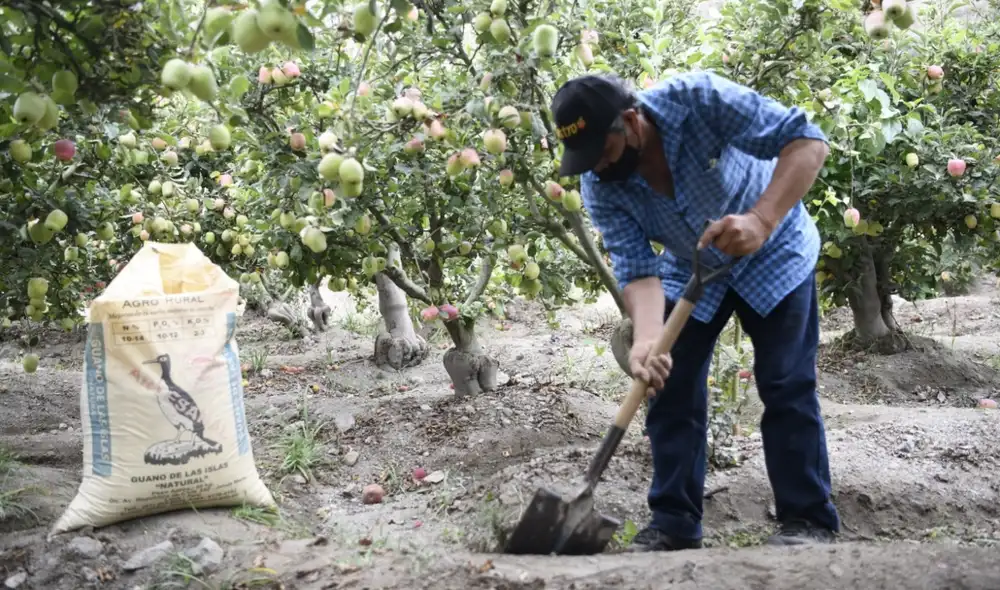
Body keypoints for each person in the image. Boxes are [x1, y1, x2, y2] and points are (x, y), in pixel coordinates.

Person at [549, 71, 840, 551]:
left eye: (604, 151)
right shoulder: (601, 185)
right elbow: (638, 269)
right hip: (693, 266)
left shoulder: (700, 100)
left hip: (774, 250)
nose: (597, 167)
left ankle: (808, 519)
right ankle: (674, 524)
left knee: (786, 383)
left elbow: (807, 142)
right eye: (587, 160)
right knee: (668, 385)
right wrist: (646, 340)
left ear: (631, 120)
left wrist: (762, 219)